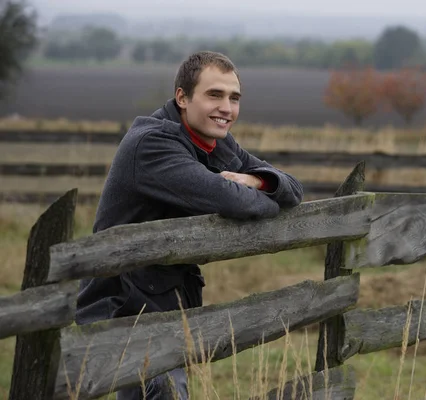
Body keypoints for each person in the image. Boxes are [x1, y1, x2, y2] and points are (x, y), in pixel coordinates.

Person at [75, 51, 304, 399]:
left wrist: (255, 182)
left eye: (234, 98)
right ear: (182, 97)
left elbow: (293, 189)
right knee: (164, 390)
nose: (226, 108)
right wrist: (249, 195)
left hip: (164, 301)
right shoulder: (152, 144)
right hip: (124, 303)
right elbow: (229, 199)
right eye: (215, 95)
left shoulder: (219, 143)